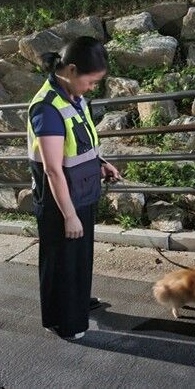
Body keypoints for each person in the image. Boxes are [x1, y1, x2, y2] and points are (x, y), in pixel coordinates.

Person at [27, 36, 120, 341]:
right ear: (71, 70)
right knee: (62, 261)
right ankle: (65, 321)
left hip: (81, 190)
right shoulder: (47, 107)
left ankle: (76, 303)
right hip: (60, 200)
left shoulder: (73, 96)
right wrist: (69, 215)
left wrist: (100, 163)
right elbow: (53, 168)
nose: (92, 88)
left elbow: (79, 141)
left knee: (77, 258)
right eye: (90, 81)